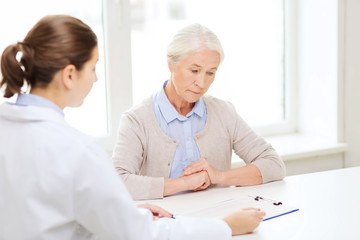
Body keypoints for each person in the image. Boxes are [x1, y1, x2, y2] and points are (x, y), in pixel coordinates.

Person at [0, 15, 265, 239]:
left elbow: (45, 213)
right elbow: (139, 234)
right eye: (93, 68)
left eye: (210, 72)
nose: (95, 79)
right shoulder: (77, 150)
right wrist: (225, 226)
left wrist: (123, 210)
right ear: (70, 75)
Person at [112, 23, 286, 200]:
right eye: (194, 70)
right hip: (166, 225)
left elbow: (274, 164)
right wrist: (185, 184)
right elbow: (117, 182)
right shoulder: (137, 120)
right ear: (171, 63)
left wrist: (217, 176)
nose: (201, 83)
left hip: (220, 220)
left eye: (210, 73)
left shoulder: (224, 112)